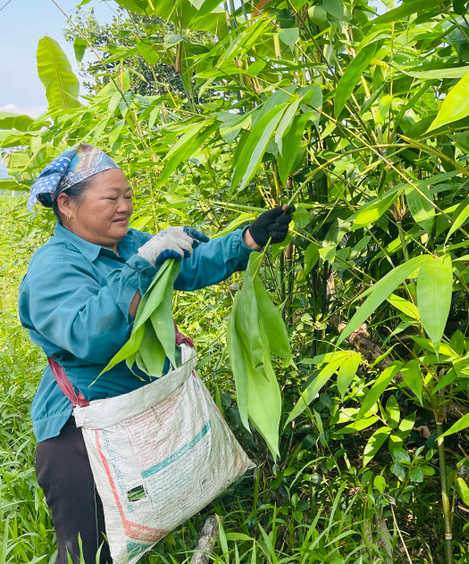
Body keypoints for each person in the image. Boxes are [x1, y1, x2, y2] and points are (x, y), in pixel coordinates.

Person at [18, 143, 293, 564]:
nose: (125, 207)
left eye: (128, 196)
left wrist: (247, 240)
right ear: (67, 205)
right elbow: (90, 335)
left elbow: (190, 265)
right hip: (80, 435)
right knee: (86, 553)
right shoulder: (53, 267)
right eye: (111, 198)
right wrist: (141, 266)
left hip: (135, 416)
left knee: (141, 536)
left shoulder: (129, 244)